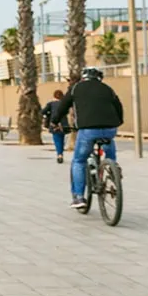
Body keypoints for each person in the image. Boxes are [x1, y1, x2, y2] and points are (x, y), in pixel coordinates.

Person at [52, 66, 123, 209]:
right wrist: (119, 121)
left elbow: (63, 107)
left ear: (83, 77)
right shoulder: (107, 88)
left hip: (88, 130)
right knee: (108, 142)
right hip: (110, 128)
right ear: (99, 78)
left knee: (79, 160)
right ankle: (113, 168)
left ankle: (78, 197)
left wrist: (54, 121)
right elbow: (118, 107)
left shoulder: (75, 88)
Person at [41, 89, 71, 163]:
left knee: (57, 140)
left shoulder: (51, 104)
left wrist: (49, 114)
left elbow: (42, 112)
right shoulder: (64, 103)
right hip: (63, 124)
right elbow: (67, 112)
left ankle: (59, 154)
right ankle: (60, 153)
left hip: (54, 124)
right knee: (62, 139)